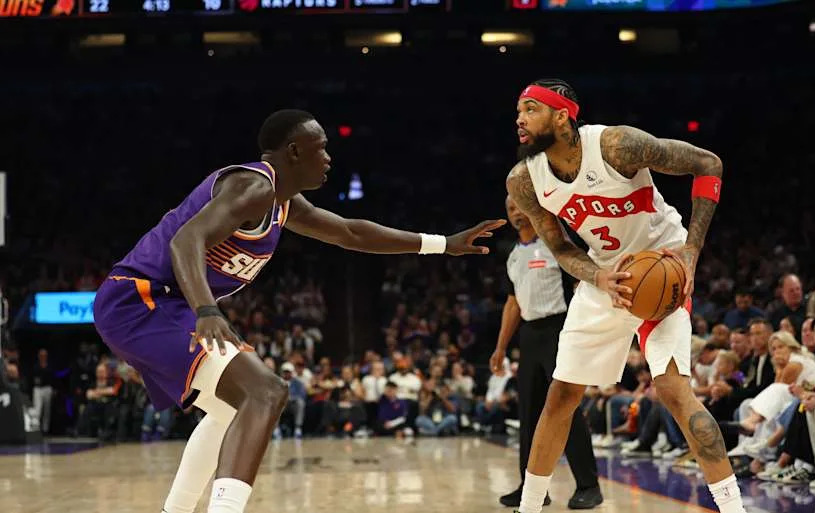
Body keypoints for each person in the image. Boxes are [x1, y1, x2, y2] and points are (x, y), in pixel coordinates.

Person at [92, 109, 505, 513]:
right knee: (266, 391)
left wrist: (441, 244)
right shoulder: (253, 186)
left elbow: (349, 232)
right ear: (293, 151)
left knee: (234, 410)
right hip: (139, 300)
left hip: (162, 304)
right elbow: (185, 241)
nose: (328, 158)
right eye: (320, 147)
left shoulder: (283, 203)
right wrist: (207, 310)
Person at [506, 79, 746, 513]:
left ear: (562, 116)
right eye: (518, 111)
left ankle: (733, 508)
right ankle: (529, 507)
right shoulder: (524, 181)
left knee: (673, 390)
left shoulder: (616, 146)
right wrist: (597, 277)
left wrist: (691, 252)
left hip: (660, 268)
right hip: (605, 276)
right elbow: (560, 248)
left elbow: (708, 164)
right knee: (561, 396)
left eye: (530, 110)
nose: (519, 119)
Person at [489, 195, 601, 509]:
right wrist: (500, 347)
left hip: (559, 330)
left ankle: (589, 485)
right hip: (529, 335)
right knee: (529, 413)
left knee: (566, 408)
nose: (515, 212)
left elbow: (581, 284)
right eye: (510, 208)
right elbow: (513, 304)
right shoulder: (513, 255)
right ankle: (531, 488)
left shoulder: (556, 244)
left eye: (519, 205)